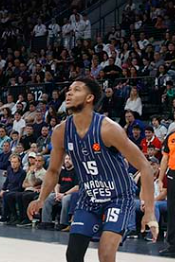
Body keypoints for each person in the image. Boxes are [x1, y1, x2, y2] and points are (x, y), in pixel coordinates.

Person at [28, 77, 158, 262]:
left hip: (118, 198)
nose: (69, 93)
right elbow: (53, 171)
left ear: (89, 98)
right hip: (89, 198)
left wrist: (150, 211)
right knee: (73, 255)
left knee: (105, 253)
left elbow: (145, 166)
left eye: (77, 89)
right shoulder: (61, 131)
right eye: (69, 89)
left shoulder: (108, 129)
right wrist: (41, 199)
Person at [38, 154, 79, 230]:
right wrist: (57, 193)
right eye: (66, 159)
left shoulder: (76, 172)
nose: (67, 161)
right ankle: (46, 222)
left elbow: (77, 187)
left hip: (70, 194)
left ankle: (63, 223)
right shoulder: (62, 171)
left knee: (65, 199)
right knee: (47, 197)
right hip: (60, 193)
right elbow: (57, 183)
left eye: (69, 159)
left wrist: (64, 194)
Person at [157, 122, 175, 256]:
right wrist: (160, 178)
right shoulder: (171, 135)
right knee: (172, 210)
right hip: (172, 175)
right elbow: (164, 158)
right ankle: (172, 245)